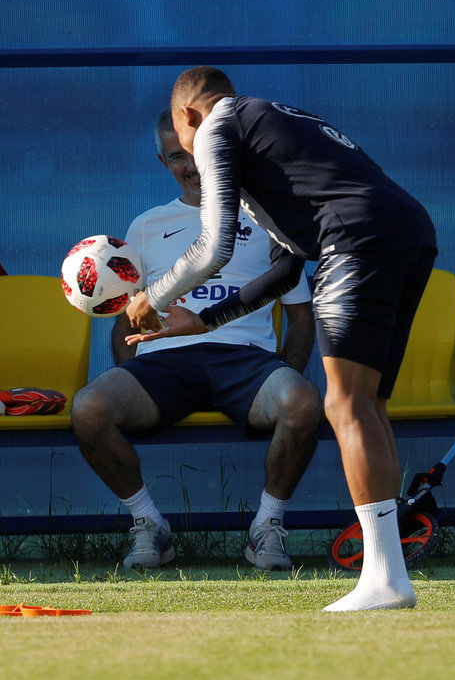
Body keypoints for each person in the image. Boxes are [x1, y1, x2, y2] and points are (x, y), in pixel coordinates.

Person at [122, 67, 439, 612]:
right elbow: (284, 272)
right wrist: (203, 320)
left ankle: (385, 579)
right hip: (409, 234)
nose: (192, 159)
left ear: (188, 117)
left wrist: (154, 296)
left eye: (184, 141)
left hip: (356, 240)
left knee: (345, 405)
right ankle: (390, 574)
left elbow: (214, 246)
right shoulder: (274, 133)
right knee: (369, 406)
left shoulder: (220, 125)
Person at [72, 110, 321, 572]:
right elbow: (128, 319)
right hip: (163, 364)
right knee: (89, 408)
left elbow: (300, 315)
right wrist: (132, 371)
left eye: (194, 153)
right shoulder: (146, 226)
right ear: (163, 162)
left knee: (304, 403)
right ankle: (149, 525)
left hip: (246, 362)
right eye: (176, 157)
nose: (189, 166)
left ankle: (267, 527)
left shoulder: (267, 219)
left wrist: (285, 374)